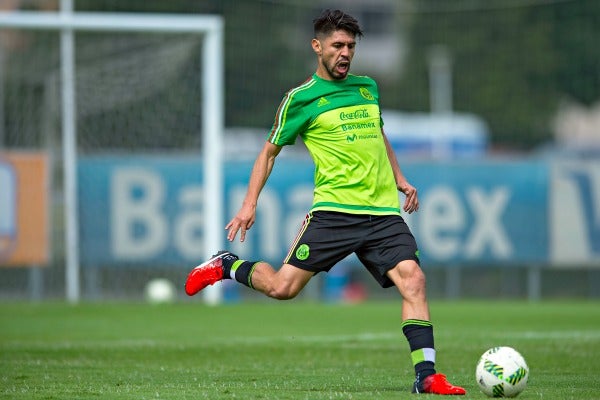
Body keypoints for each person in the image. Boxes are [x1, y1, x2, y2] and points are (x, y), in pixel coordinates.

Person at [185, 9, 466, 396]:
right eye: (337, 45)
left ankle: (426, 376)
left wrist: (399, 178)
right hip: (334, 212)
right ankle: (227, 265)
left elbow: (378, 135)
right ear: (317, 47)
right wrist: (248, 205)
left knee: (414, 280)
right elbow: (267, 153)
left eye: (351, 45)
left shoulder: (368, 87)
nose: (345, 52)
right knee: (284, 288)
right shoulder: (300, 99)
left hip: (382, 213)